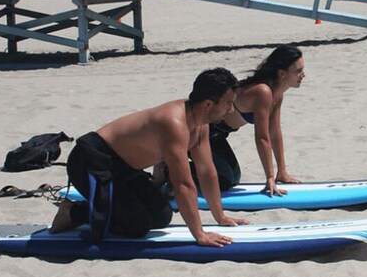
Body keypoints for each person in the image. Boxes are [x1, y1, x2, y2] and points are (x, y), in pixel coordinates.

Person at [51, 68, 245, 247]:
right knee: (137, 226)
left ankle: (100, 208)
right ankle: (73, 212)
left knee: (161, 216)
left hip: (125, 168)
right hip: (92, 161)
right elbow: (183, 184)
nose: (231, 110)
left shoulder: (201, 123)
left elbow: (206, 170)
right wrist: (199, 235)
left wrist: (220, 216)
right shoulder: (174, 123)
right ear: (209, 104)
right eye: (228, 104)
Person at [207, 45, 306, 197]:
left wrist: (282, 171)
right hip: (202, 132)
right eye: (298, 71)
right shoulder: (263, 92)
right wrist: (270, 178)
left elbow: (275, 133)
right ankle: (172, 172)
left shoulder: (277, 95)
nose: (303, 75)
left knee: (233, 178)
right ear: (282, 74)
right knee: (225, 181)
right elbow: (262, 137)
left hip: (217, 137)